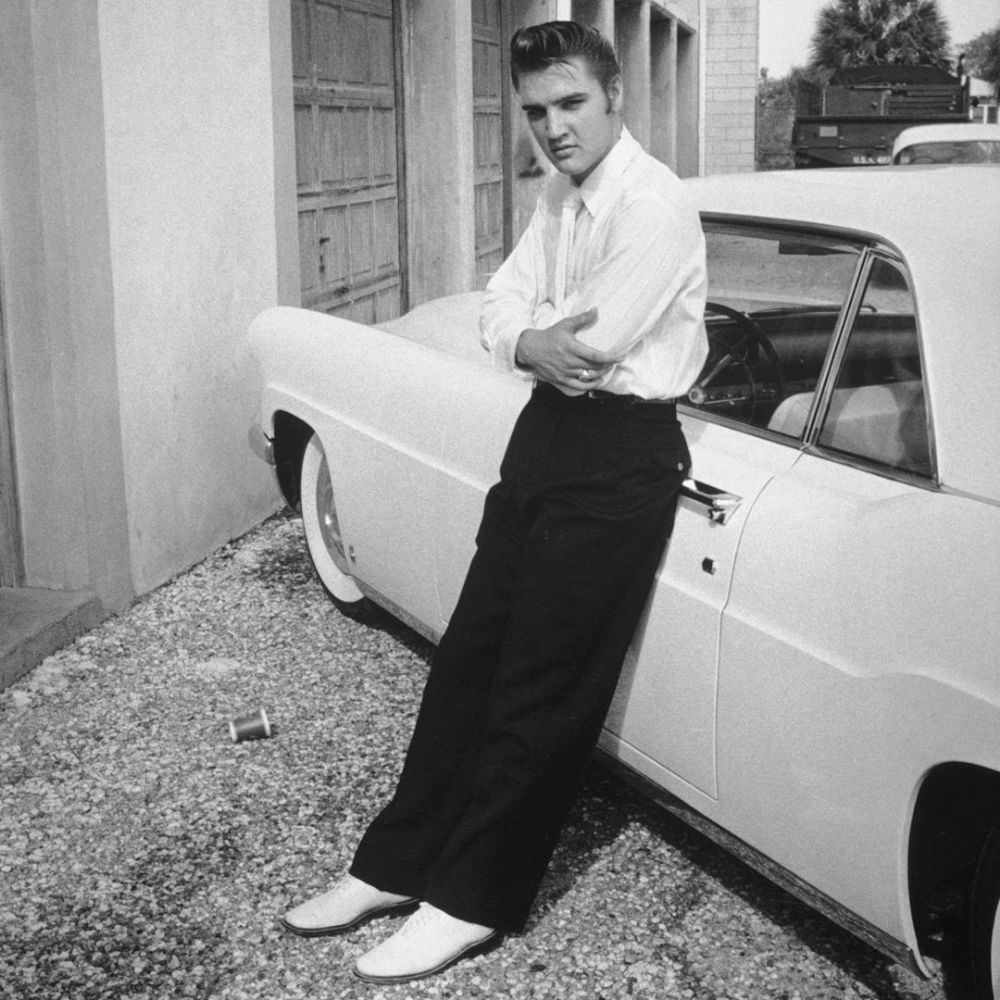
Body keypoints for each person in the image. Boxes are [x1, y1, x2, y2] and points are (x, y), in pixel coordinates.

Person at [280, 20, 708, 984]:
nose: (552, 128)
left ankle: (469, 898)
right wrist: (525, 341)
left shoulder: (656, 205)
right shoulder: (561, 192)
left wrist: (532, 336)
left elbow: (593, 351)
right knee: (469, 659)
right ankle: (392, 866)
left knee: (540, 689)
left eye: (570, 105)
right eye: (535, 111)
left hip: (622, 454)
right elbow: (500, 306)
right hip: (546, 435)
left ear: (614, 99)